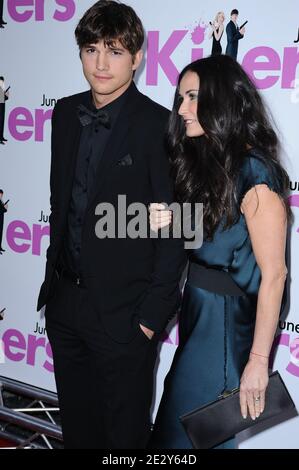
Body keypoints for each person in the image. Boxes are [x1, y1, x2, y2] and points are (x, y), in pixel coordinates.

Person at [37, 0, 186, 449]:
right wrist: (55, 295)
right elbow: (61, 202)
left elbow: (175, 230)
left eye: (115, 51)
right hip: (65, 306)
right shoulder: (64, 113)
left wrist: (149, 320)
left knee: (124, 440)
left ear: (138, 57)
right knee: (79, 433)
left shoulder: (161, 126)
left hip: (125, 318)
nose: (100, 63)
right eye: (91, 49)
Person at [148, 54, 290, 449]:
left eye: (193, 97)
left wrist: (258, 362)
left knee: (184, 442)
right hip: (198, 324)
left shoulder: (256, 175)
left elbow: (274, 275)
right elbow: (223, 237)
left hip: (222, 335)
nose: (181, 109)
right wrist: (175, 220)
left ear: (223, 100)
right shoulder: (216, 164)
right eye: (181, 98)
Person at [0, 77, 9, 144]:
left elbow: (5, 98)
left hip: (2, 106)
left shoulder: (3, 89)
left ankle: (1, 137)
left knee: (2, 122)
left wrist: (6, 95)